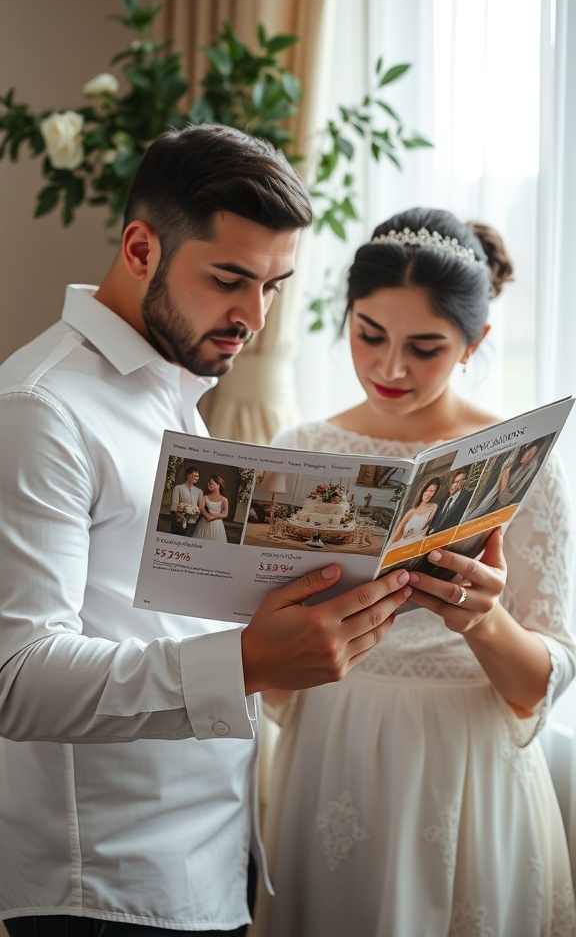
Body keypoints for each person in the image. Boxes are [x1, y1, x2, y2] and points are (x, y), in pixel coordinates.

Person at [0, 125, 414, 936]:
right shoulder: (40, 412)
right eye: (230, 278)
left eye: (275, 286)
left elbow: (159, 617)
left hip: (215, 857)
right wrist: (246, 659)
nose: (254, 316)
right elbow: (16, 675)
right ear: (140, 247)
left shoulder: (174, 390)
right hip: (106, 887)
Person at [252, 207, 576, 937]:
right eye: (368, 335)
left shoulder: (523, 468)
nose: (389, 368)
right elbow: (274, 678)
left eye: (424, 348)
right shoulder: (304, 448)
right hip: (335, 746)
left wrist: (483, 618)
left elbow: (536, 687)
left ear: (474, 343)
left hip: (467, 761)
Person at [471, 440, 545, 518]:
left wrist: (504, 478)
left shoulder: (531, 466)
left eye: (531, 455)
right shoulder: (516, 455)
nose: (527, 456)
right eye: (528, 452)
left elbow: (505, 499)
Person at [388, 475, 441, 544]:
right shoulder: (411, 512)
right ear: (422, 491)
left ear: (436, 492)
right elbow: (397, 535)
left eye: (432, 491)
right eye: (426, 490)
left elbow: (428, 527)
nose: (428, 494)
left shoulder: (434, 507)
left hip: (418, 542)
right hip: (403, 543)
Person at [427, 466, 473, 534]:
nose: (454, 485)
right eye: (454, 482)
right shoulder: (444, 499)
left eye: (458, 482)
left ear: (463, 482)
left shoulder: (467, 496)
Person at [195, 474, 229, 543]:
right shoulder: (205, 497)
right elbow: (201, 508)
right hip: (204, 523)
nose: (209, 485)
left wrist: (214, 516)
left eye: (211, 484)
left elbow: (225, 514)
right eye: (209, 483)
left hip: (216, 525)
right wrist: (207, 515)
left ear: (218, 485)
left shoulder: (224, 500)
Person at [171, 463, 203, 534]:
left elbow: (200, 507)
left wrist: (194, 514)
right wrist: (182, 516)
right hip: (179, 521)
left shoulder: (199, 491)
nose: (197, 478)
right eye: (195, 475)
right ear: (188, 476)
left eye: (198, 476)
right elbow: (174, 506)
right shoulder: (178, 488)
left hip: (193, 523)